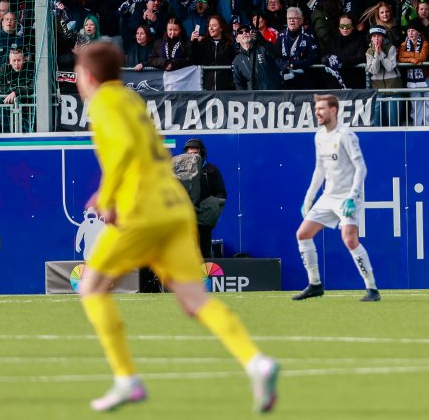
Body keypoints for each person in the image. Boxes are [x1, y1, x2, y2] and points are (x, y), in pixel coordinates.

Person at [72, 42, 278, 413]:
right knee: (195, 300)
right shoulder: (131, 99)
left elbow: (123, 153)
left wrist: (107, 196)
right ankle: (256, 362)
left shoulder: (103, 102)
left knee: (91, 286)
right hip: (174, 206)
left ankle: (126, 379)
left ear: (87, 76)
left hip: (143, 209)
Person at [293, 93, 380, 302]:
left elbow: (361, 167)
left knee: (349, 239)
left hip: (348, 197)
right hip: (328, 196)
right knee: (303, 234)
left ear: (333, 110)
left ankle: (372, 289)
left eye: (321, 109)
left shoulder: (346, 135)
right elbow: (319, 169)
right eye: (316, 109)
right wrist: (308, 198)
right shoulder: (319, 136)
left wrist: (353, 196)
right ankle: (315, 284)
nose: (317, 112)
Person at [181, 138, 228, 258]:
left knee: (203, 251)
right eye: (189, 153)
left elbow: (221, 193)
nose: (192, 156)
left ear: (202, 153)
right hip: (185, 217)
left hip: (204, 217)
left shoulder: (211, 170)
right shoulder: (179, 172)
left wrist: (211, 208)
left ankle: (203, 275)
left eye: (195, 153)